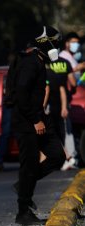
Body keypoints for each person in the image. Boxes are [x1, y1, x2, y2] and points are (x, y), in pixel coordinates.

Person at [11, 26, 66, 226]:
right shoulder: (30, 63)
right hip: (27, 121)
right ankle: (23, 212)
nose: (58, 45)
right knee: (29, 164)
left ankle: (23, 186)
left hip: (39, 117)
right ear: (46, 43)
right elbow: (21, 94)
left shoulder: (40, 62)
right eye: (55, 41)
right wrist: (35, 120)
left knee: (57, 155)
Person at [46, 56, 77, 171]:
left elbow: (47, 91)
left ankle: (68, 158)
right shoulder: (58, 70)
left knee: (52, 135)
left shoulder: (44, 74)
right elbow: (63, 90)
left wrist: (42, 107)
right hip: (59, 107)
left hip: (50, 109)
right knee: (60, 134)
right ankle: (68, 157)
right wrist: (64, 107)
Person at [59, 32, 84, 170]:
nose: (76, 45)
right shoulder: (64, 58)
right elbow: (69, 80)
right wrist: (78, 68)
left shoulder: (71, 57)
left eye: (77, 43)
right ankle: (70, 157)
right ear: (67, 43)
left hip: (71, 98)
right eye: (73, 42)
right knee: (66, 129)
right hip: (69, 99)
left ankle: (71, 157)